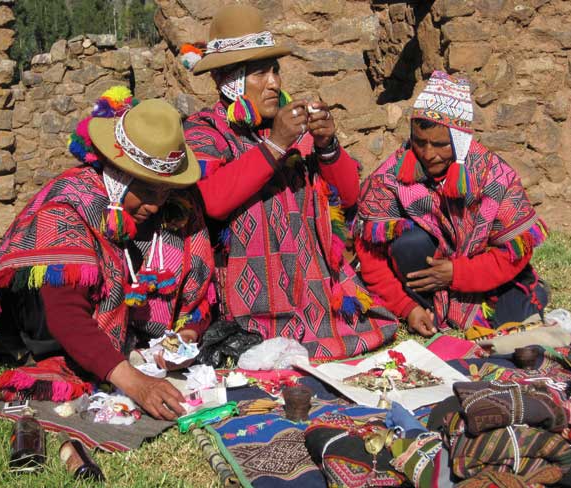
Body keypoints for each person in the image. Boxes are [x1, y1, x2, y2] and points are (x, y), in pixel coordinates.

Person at [0, 87, 213, 420]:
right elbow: (66, 315)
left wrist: (185, 338)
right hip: (48, 322)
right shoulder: (68, 206)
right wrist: (135, 382)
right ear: (119, 175)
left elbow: (200, 291)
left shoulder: (177, 207)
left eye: (167, 189)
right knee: (57, 327)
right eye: (148, 188)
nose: (158, 202)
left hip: (127, 336)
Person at [180, 4, 398, 359]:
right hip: (244, 299)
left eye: (276, 71)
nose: (275, 83)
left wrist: (327, 146)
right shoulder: (205, 131)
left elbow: (346, 196)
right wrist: (274, 145)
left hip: (312, 289)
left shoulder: (292, 130)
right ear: (229, 80)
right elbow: (211, 202)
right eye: (260, 74)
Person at [355, 71, 549, 338]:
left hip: (484, 281)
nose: (428, 153)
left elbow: (516, 253)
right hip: (423, 288)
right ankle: (428, 310)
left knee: (518, 334)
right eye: (420, 142)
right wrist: (408, 308)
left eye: (441, 145)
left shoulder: (495, 178)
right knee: (409, 245)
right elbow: (371, 256)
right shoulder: (389, 179)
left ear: (460, 140)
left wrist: (458, 273)